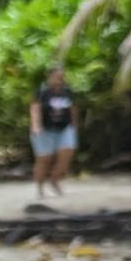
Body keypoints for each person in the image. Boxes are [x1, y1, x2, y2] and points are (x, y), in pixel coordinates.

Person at [30, 65, 78, 198]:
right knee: (44, 159)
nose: (59, 79)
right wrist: (36, 126)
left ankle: (55, 179)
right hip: (45, 129)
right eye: (56, 76)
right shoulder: (42, 91)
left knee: (67, 151)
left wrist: (74, 124)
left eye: (61, 77)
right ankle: (40, 188)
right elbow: (35, 109)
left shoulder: (67, 90)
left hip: (64, 127)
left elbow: (72, 108)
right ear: (50, 76)